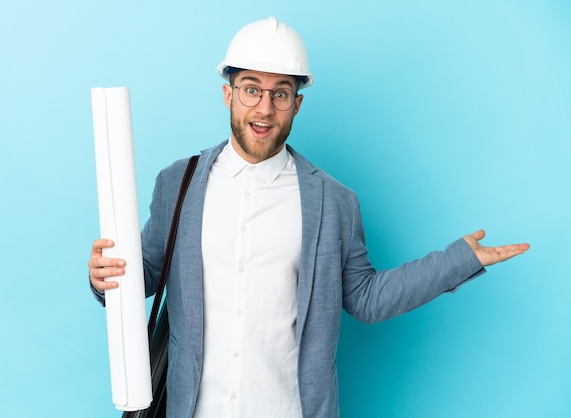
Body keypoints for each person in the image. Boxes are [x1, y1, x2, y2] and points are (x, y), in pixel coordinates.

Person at [88, 17, 529, 418]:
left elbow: (366, 297)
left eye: (280, 93)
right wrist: (104, 276)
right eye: (251, 89)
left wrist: (460, 260)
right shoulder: (177, 183)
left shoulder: (334, 201)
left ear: (296, 104)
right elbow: (144, 275)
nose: (264, 108)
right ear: (229, 94)